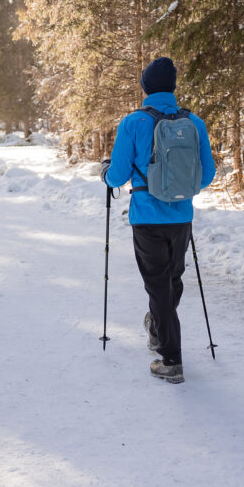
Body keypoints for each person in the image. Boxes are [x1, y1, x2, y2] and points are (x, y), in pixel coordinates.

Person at [100, 56, 216, 384]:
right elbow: (207, 174)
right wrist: (180, 188)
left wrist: (106, 173)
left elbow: (118, 175)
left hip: (147, 217)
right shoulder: (194, 122)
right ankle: (158, 326)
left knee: (158, 284)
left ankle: (171, 359)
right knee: (172, 279)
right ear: (173, 88)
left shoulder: (134, 122)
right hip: (182, 216)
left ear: (146, 87)